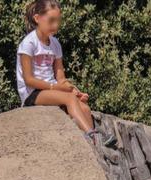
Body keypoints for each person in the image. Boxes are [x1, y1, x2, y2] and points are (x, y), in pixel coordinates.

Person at [15, 0, 116, 147]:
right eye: (51, 21)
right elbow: (29, 80)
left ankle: (92, 146)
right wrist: (57, 88)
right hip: (32, 93)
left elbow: (61, 78)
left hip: (52, 89)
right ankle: (91, 135)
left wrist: (75, 91)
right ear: (37, 18)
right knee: (69, 99)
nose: (55, 26)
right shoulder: (29, 43)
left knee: (85, 107)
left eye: (58, 21)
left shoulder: (55, 44)